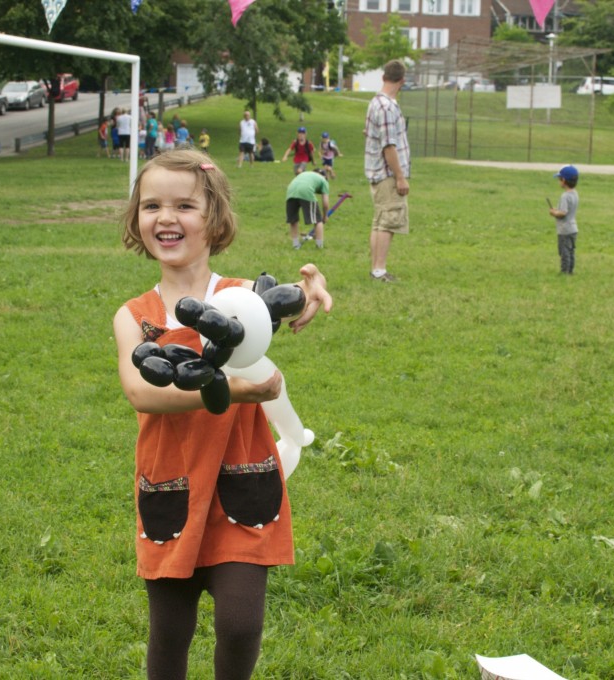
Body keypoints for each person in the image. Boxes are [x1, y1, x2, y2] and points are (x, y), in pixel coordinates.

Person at [113, 149, 333, 680]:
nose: (166, 217)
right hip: (172, 483)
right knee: (171, 630)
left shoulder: (237, 296)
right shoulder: (134, 317)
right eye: (151, 206)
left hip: (242, 482)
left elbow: (284, 304)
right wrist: (231, 390)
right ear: (136, 220)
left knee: (239, 625)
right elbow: (142, 392)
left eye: (184, 205)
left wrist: (312, 290)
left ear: (214, 221)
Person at [364, 59, 411, 283]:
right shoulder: (386, 106)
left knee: (379, 220)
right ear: (402, 81)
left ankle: (376, 268)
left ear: (384, 77)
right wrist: (400, 177)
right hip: (387, 174)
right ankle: (379, 271)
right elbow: (389, 146)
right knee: (388, 221)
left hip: (377, 172)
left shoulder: (375, 103)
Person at [286, 169, 329, 250]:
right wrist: (325, 216)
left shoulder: (307, 174)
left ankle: (295, 245)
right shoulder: (324, 180)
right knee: (317, 221)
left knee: (293, 220)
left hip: (290, 191)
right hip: (305, 191)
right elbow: (325, 203)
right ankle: (319, 246)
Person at [548, 165, 580, 274]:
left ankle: (564, 272)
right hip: (573, 228)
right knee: (571, 251)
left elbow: (563, 213)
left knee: (564, 251)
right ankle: (571, 270)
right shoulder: (575, 194)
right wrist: (558, 210)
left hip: (565, 230)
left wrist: (554, 213)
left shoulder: (565, 196)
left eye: (559, 179)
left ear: (564, 180)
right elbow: (568, 209)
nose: (559, 181)